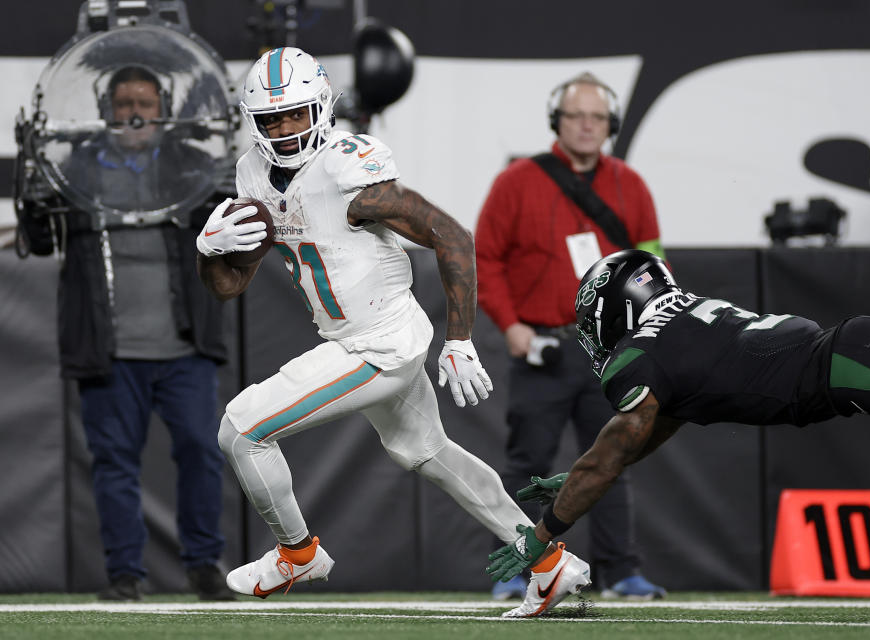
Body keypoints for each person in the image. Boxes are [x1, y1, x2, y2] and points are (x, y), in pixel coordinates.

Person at [195, 46, 590, 619]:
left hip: (376, 343)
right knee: (427, 451)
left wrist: (460, 338)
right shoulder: (253, 174)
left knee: (242, 429)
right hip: (356, 337)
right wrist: (209, 252)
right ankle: (547, 563)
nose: (283, 130)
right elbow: (228, 286)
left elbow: (451, 234)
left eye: (296, 115)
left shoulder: (347, 170)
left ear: (322, 110)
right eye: (271, 119)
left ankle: (297, 553)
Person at [485, 249, 870, 583]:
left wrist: (542, 534)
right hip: (858, 363)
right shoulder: (676, 329)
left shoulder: (639, 353)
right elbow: (658, 421)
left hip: (855, 366)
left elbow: (614, 450)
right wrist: (577, 478)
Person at [31, 65, 233, 601]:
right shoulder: (76, 171)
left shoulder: (193, 167)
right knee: (114, 462)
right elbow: (39, 238)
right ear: (106, 112)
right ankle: (125, 574)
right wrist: (31, 190)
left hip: (185, 345)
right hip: (109, 348)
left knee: (201, 450)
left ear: (164, 109)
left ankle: (204, 565)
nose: (136, 113)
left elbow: (235, 234)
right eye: (124, 104)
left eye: (146, 101)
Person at [474, 72, 666, 599]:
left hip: (613, 352)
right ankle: (517, 571)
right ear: (556, 121)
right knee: (527, 464)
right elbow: (484, 259)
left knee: (614, 460)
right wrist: (510, 326)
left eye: (597, 117)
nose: (587, 125)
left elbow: (654, 265)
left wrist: (647, 335)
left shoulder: (632, 185)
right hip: (543, 347)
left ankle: (621, 572)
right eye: (576, 115)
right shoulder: (515, 183)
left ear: (611, 125)